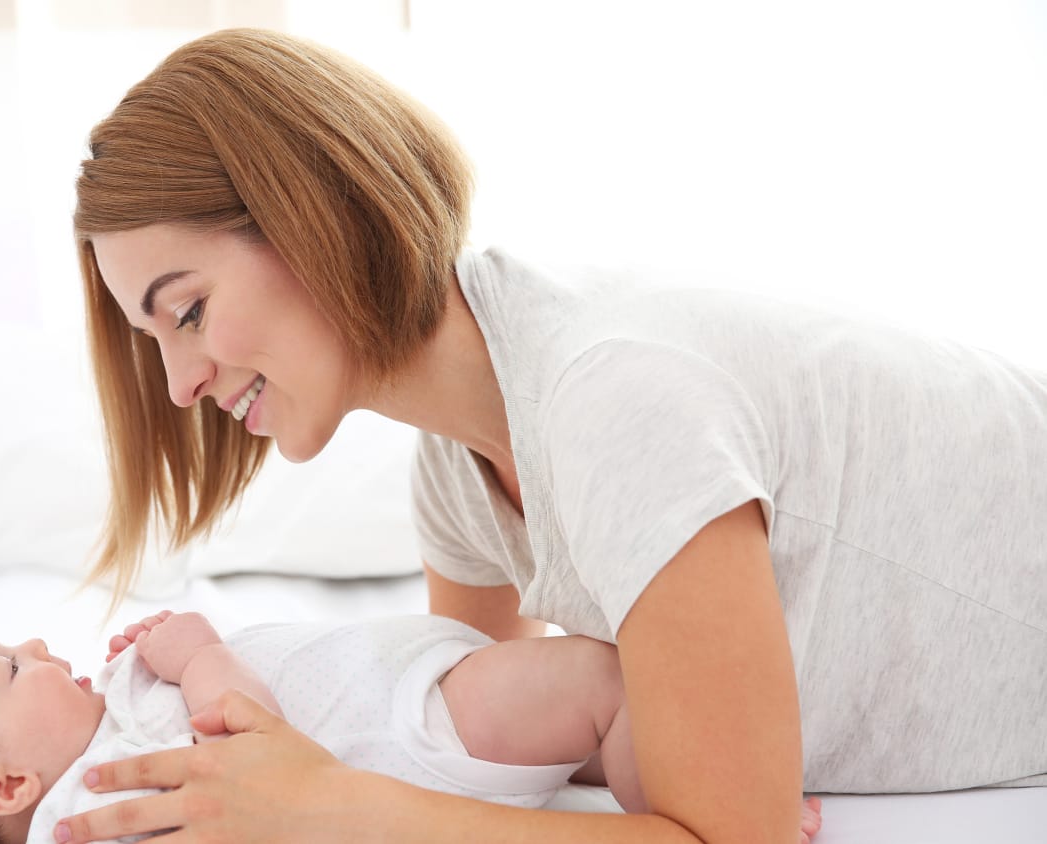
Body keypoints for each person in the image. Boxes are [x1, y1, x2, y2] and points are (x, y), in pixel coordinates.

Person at [59, 25, 1047, 844]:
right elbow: (458, 739)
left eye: (184, 314)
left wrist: (328, 807)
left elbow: (731, 836)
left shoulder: (611, 399)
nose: (181, 385)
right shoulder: (459, 465)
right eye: (154, 342)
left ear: (312, 216)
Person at [0, 610, 827, 844]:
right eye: (13, 667)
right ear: (4, 784)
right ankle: (727, 802)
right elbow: (257, 748)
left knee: (594, 683)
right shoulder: (104, 798)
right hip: (406, 730)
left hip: (399, 714)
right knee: (598, 678)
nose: (40, 647)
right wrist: (196, 653)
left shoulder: (99, 763)